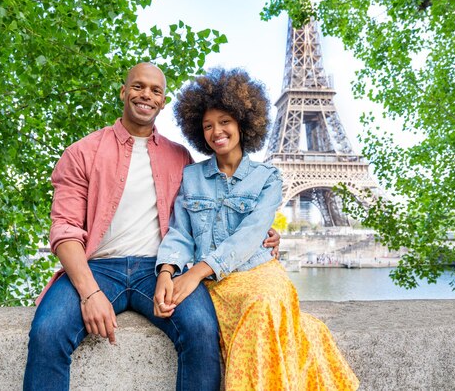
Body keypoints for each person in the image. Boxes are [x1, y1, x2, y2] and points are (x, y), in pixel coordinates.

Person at [23, 62, 280, 391]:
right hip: (98, 268)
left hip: (159, 269)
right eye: (138, 86)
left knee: (202, 330)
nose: (146, 95)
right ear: (123, 92)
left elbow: (206, 219)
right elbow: (65, 231)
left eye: (155, 90)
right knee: (47, 332)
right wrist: (89, 294)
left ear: (163, 101)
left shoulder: (180, 159)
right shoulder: (82, 153)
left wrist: (264, 234)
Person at [154, 68, 359, 390]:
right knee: (266, 319)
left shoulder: (268, 177)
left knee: (264, 306)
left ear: (242, 123)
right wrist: (167, 271)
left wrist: (194, 273)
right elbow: (180, 232)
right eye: (207, 125)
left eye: (224, 122)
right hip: (217, 283)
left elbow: (251, 233)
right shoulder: (191, 177)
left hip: (257, 271)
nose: (216, 131)